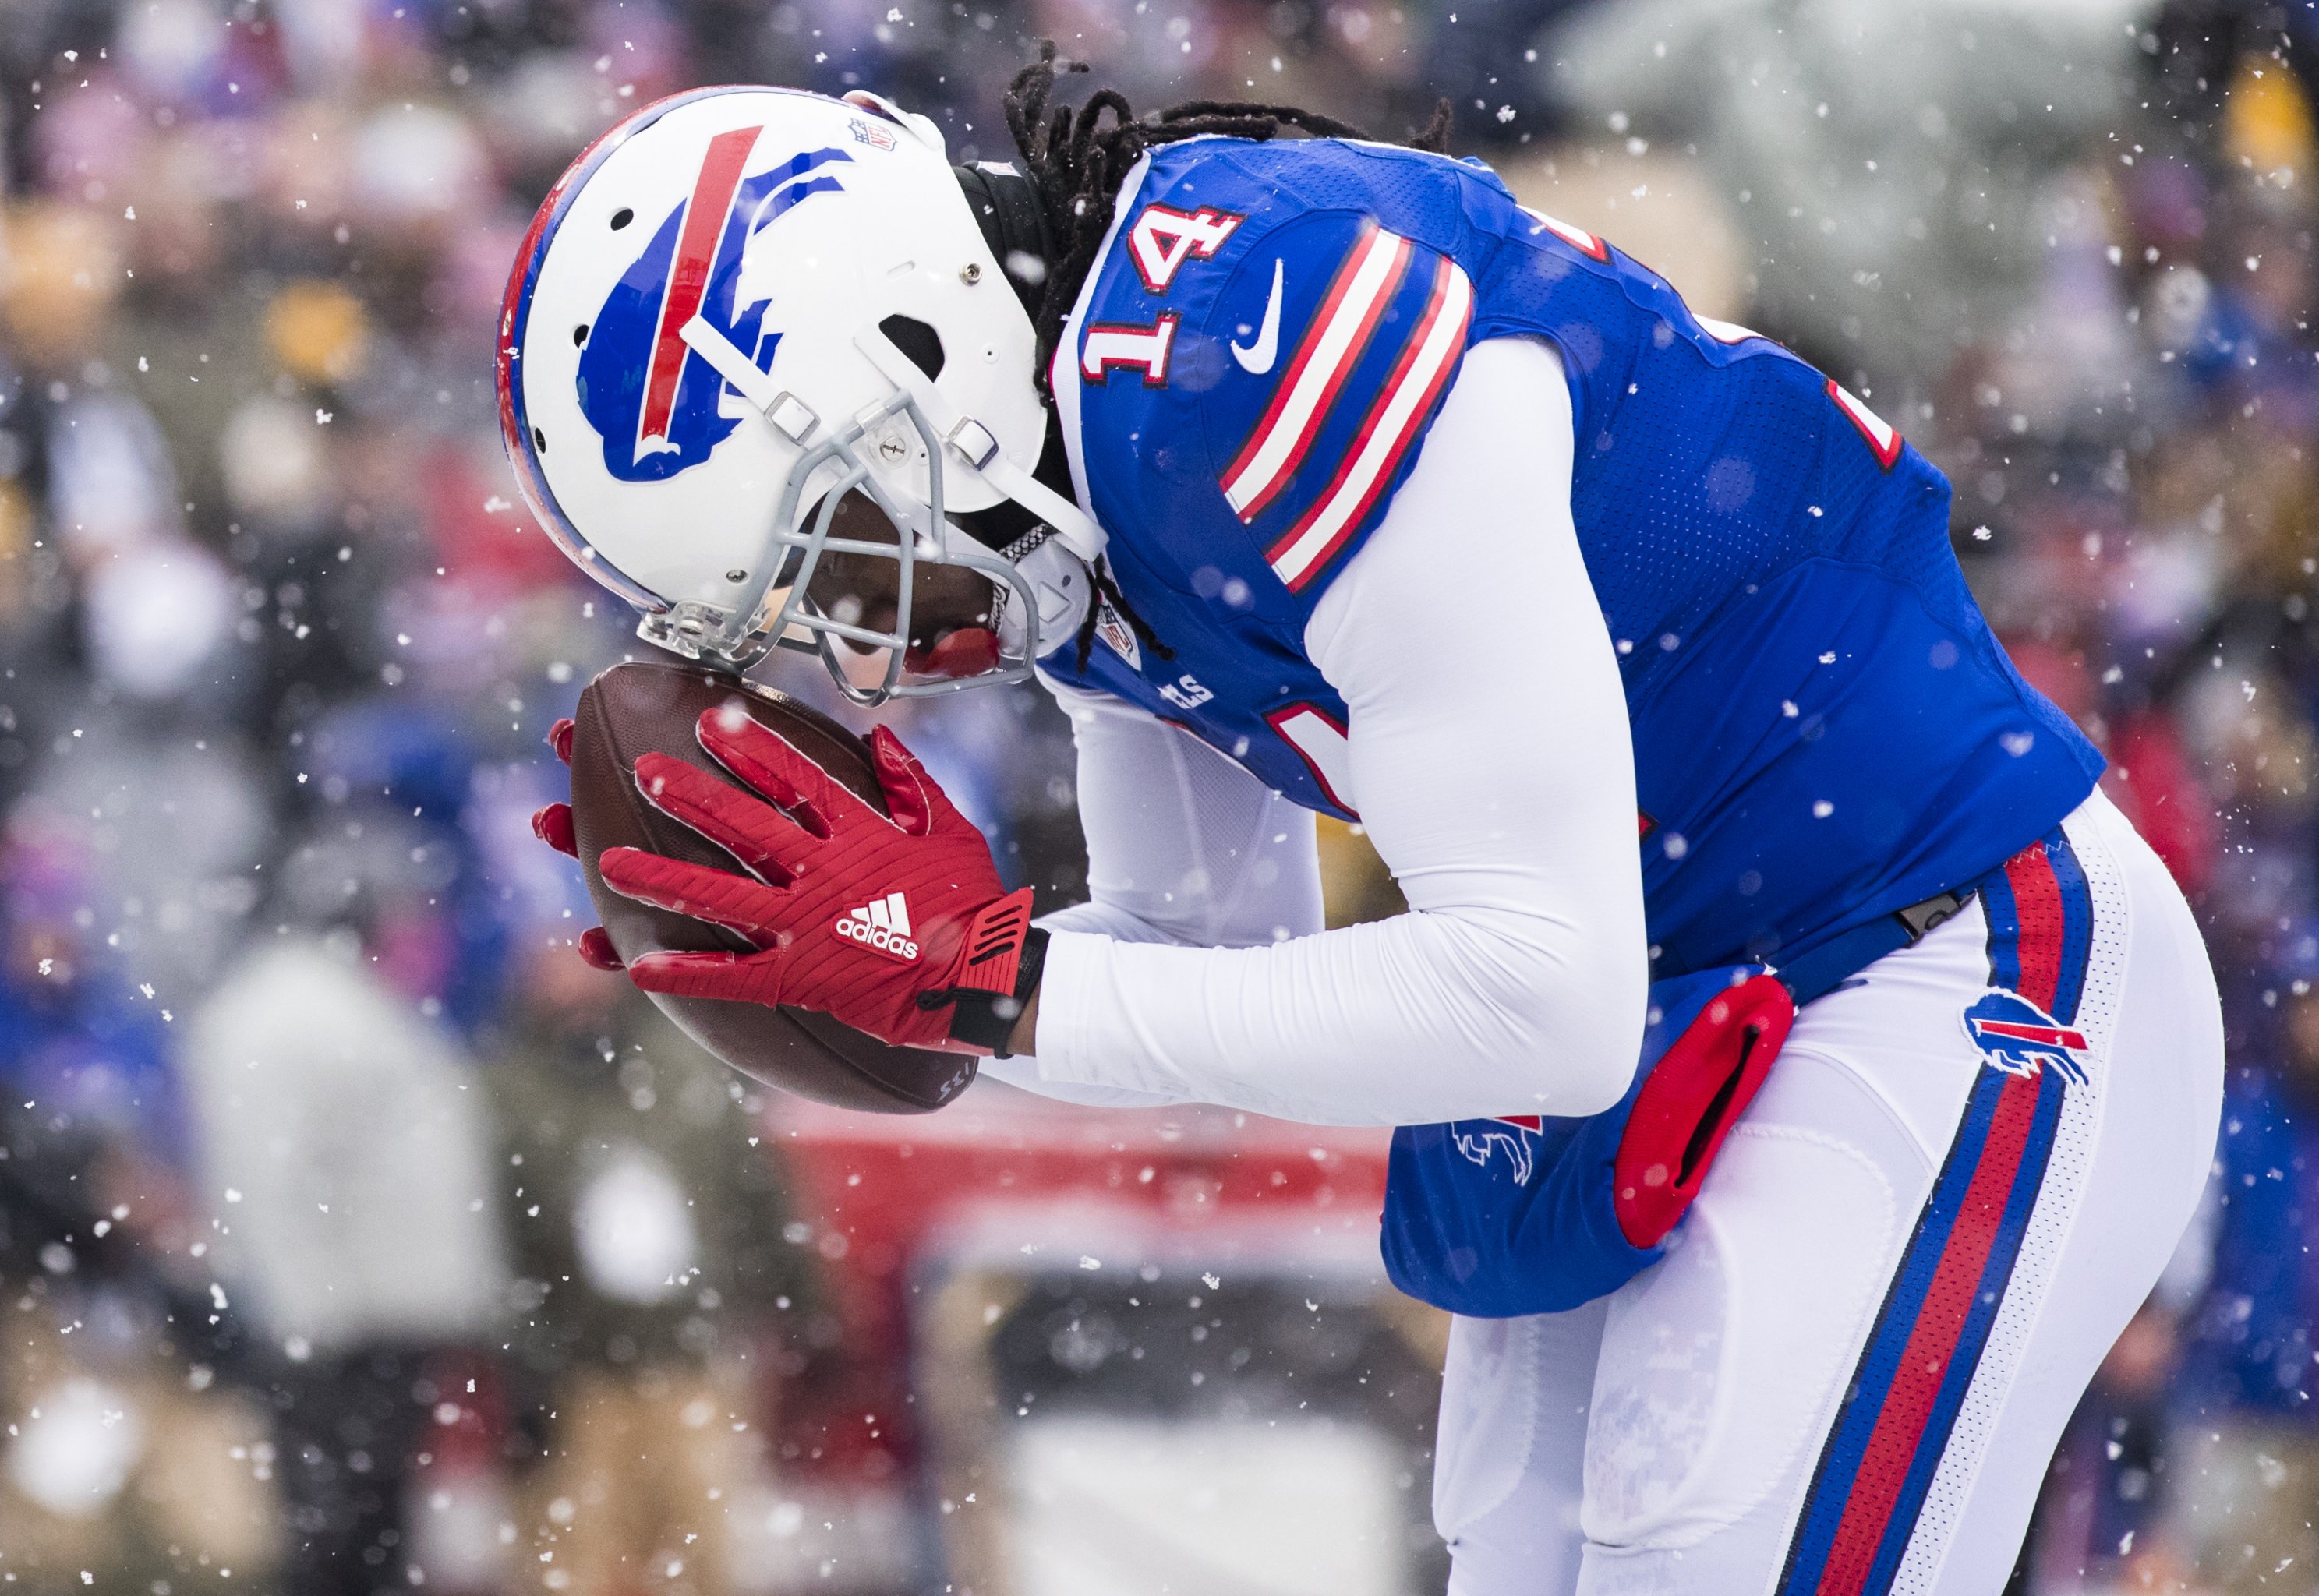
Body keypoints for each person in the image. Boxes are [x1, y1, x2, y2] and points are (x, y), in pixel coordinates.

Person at [499, 55, 2226, 1595]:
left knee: (1703, 1541)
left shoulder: (1241, 349)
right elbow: (1210, 968)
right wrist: (883, 982)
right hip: (1680, 1021)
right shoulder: (1088, 480)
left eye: (838, 549)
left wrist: (984, 990)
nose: (867, 632)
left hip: (1944, 951)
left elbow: (1532, 993)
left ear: (919, 358)